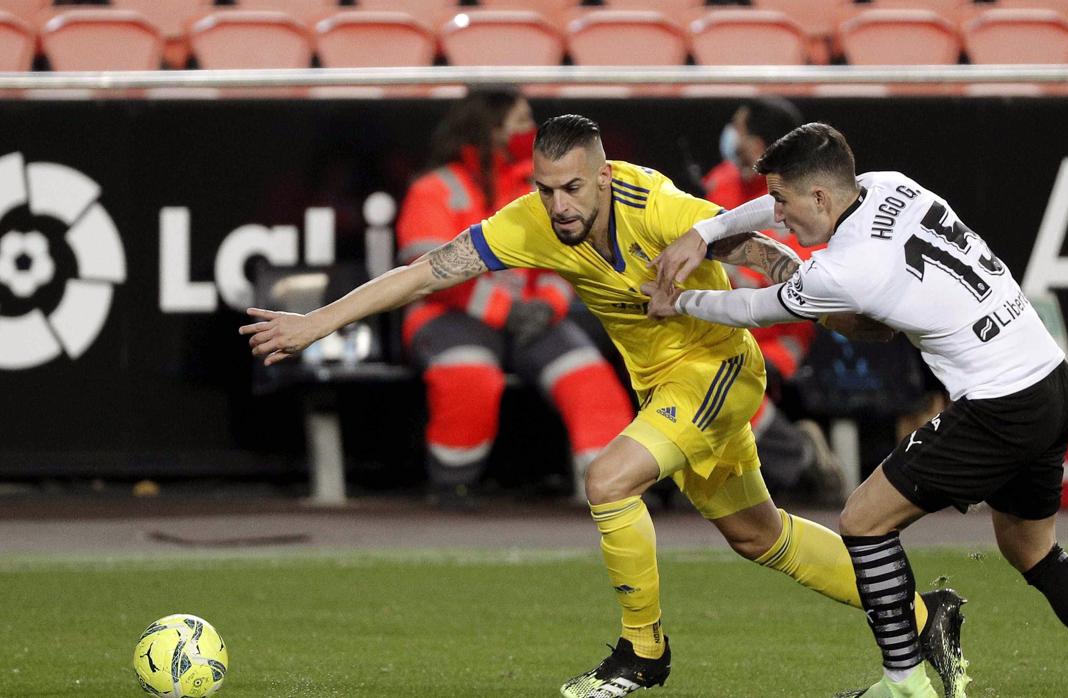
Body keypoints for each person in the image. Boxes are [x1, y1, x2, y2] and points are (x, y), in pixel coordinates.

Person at [241, 115, 967, 698]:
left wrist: (847, 311)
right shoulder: (530, 221)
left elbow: (760, 251)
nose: (559, 205)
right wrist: (314, 323)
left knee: (608, 480)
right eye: (547, 187)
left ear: (604, 176)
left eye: (573, 189)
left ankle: (642, 652)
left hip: (715, 367)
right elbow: (422, 273)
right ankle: (923, 616)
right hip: (664, 384)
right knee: (760, 538)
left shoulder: (656, 206)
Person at [646, 122, 1068, 698]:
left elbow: (753, 307)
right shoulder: (892, 185)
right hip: (1050, 378)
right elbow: (771, 224)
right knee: (1030, 549)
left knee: (862, 521)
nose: (778, 213)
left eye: (784, 200)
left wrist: (678, 303)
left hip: (1000, 404)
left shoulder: (845, 269)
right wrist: (708, 229)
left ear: (819, 196)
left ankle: (905, 684)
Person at [394, 87, 633, 504]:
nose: (532, 130)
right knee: (469, 376)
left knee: (589, 379)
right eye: (522, 121)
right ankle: (453, 487)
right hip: (447, 315)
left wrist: (550, 304)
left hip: (532, 316)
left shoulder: (538, 184)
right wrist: (506, 310)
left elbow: (570, 259)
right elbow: (429, 274)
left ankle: (616, 492)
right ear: (491, 128)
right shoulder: (434, 189)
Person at [706, 97, 842, 502]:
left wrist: (732, 275)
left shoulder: (812, 198)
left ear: (758, 144)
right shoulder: (721, 182)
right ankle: (792, 456)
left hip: (782, 337)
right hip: (723, 324)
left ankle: (798, 457)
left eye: (739, 127)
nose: (732, 136)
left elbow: (804, 285)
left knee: (718, 381)